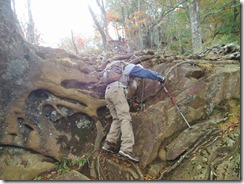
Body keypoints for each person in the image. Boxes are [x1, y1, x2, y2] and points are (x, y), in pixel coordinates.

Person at [102, 61, 165, 162]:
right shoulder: (130, 67)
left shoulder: (115, 68)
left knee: (116, 119)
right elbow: (145, 72)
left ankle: (109, 144)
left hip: (108, 92)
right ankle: (126, 149)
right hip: (117, 91)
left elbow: (133, 86)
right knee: (125, 118)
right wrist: (160, 77)